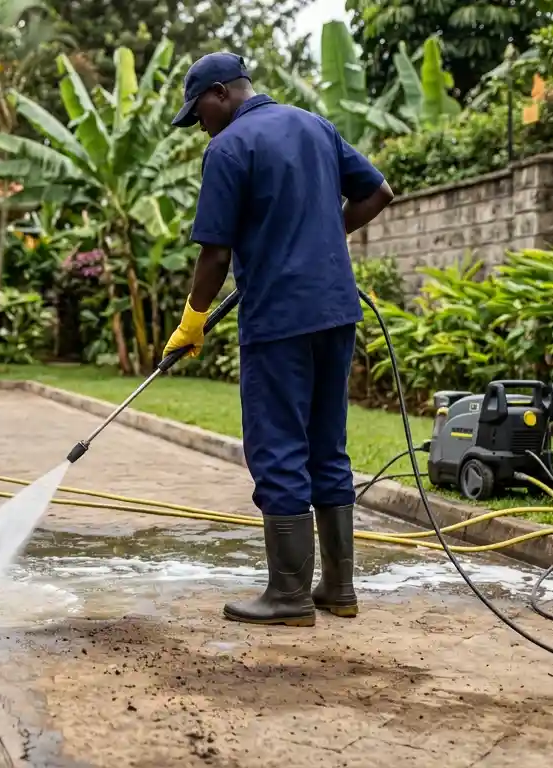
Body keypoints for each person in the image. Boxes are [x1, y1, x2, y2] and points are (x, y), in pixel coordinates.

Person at [161, 52, 395, 627]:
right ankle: (339, 589)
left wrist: (192, 320)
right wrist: (320, 235)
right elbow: (379, 192)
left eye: (199, 113)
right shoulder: (314, 125)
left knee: (278, 447)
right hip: (335, 310)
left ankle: (288, 596)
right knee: (327, 445)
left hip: (279, 319)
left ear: (221, 93)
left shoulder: (229, 148)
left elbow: (215, 253)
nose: (200, 126)